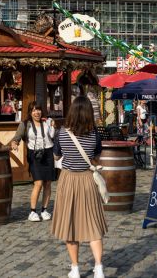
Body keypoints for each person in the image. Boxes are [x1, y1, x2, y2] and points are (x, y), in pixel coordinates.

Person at [51, 96, 107, 278]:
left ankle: (75, 268)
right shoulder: (94, 134)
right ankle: (98, 267)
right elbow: (96, 158)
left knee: (69, 225)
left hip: (68, 181)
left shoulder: (62, 133)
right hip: (88, 181)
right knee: (93, 224)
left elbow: (57, 157)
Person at [10, 103, 56, 222]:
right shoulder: (25, 124)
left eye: (39, 110)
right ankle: (33, 211)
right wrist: (14, 144)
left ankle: (44, 210)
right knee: (38, 183)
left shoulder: (47, 122)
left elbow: (53, 137)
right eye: (34, 110)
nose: (37, 113)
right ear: (30, 112)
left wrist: (53, 126)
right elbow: (16, 138)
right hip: (34, 155)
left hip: (48, 153)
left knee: (48, 183)